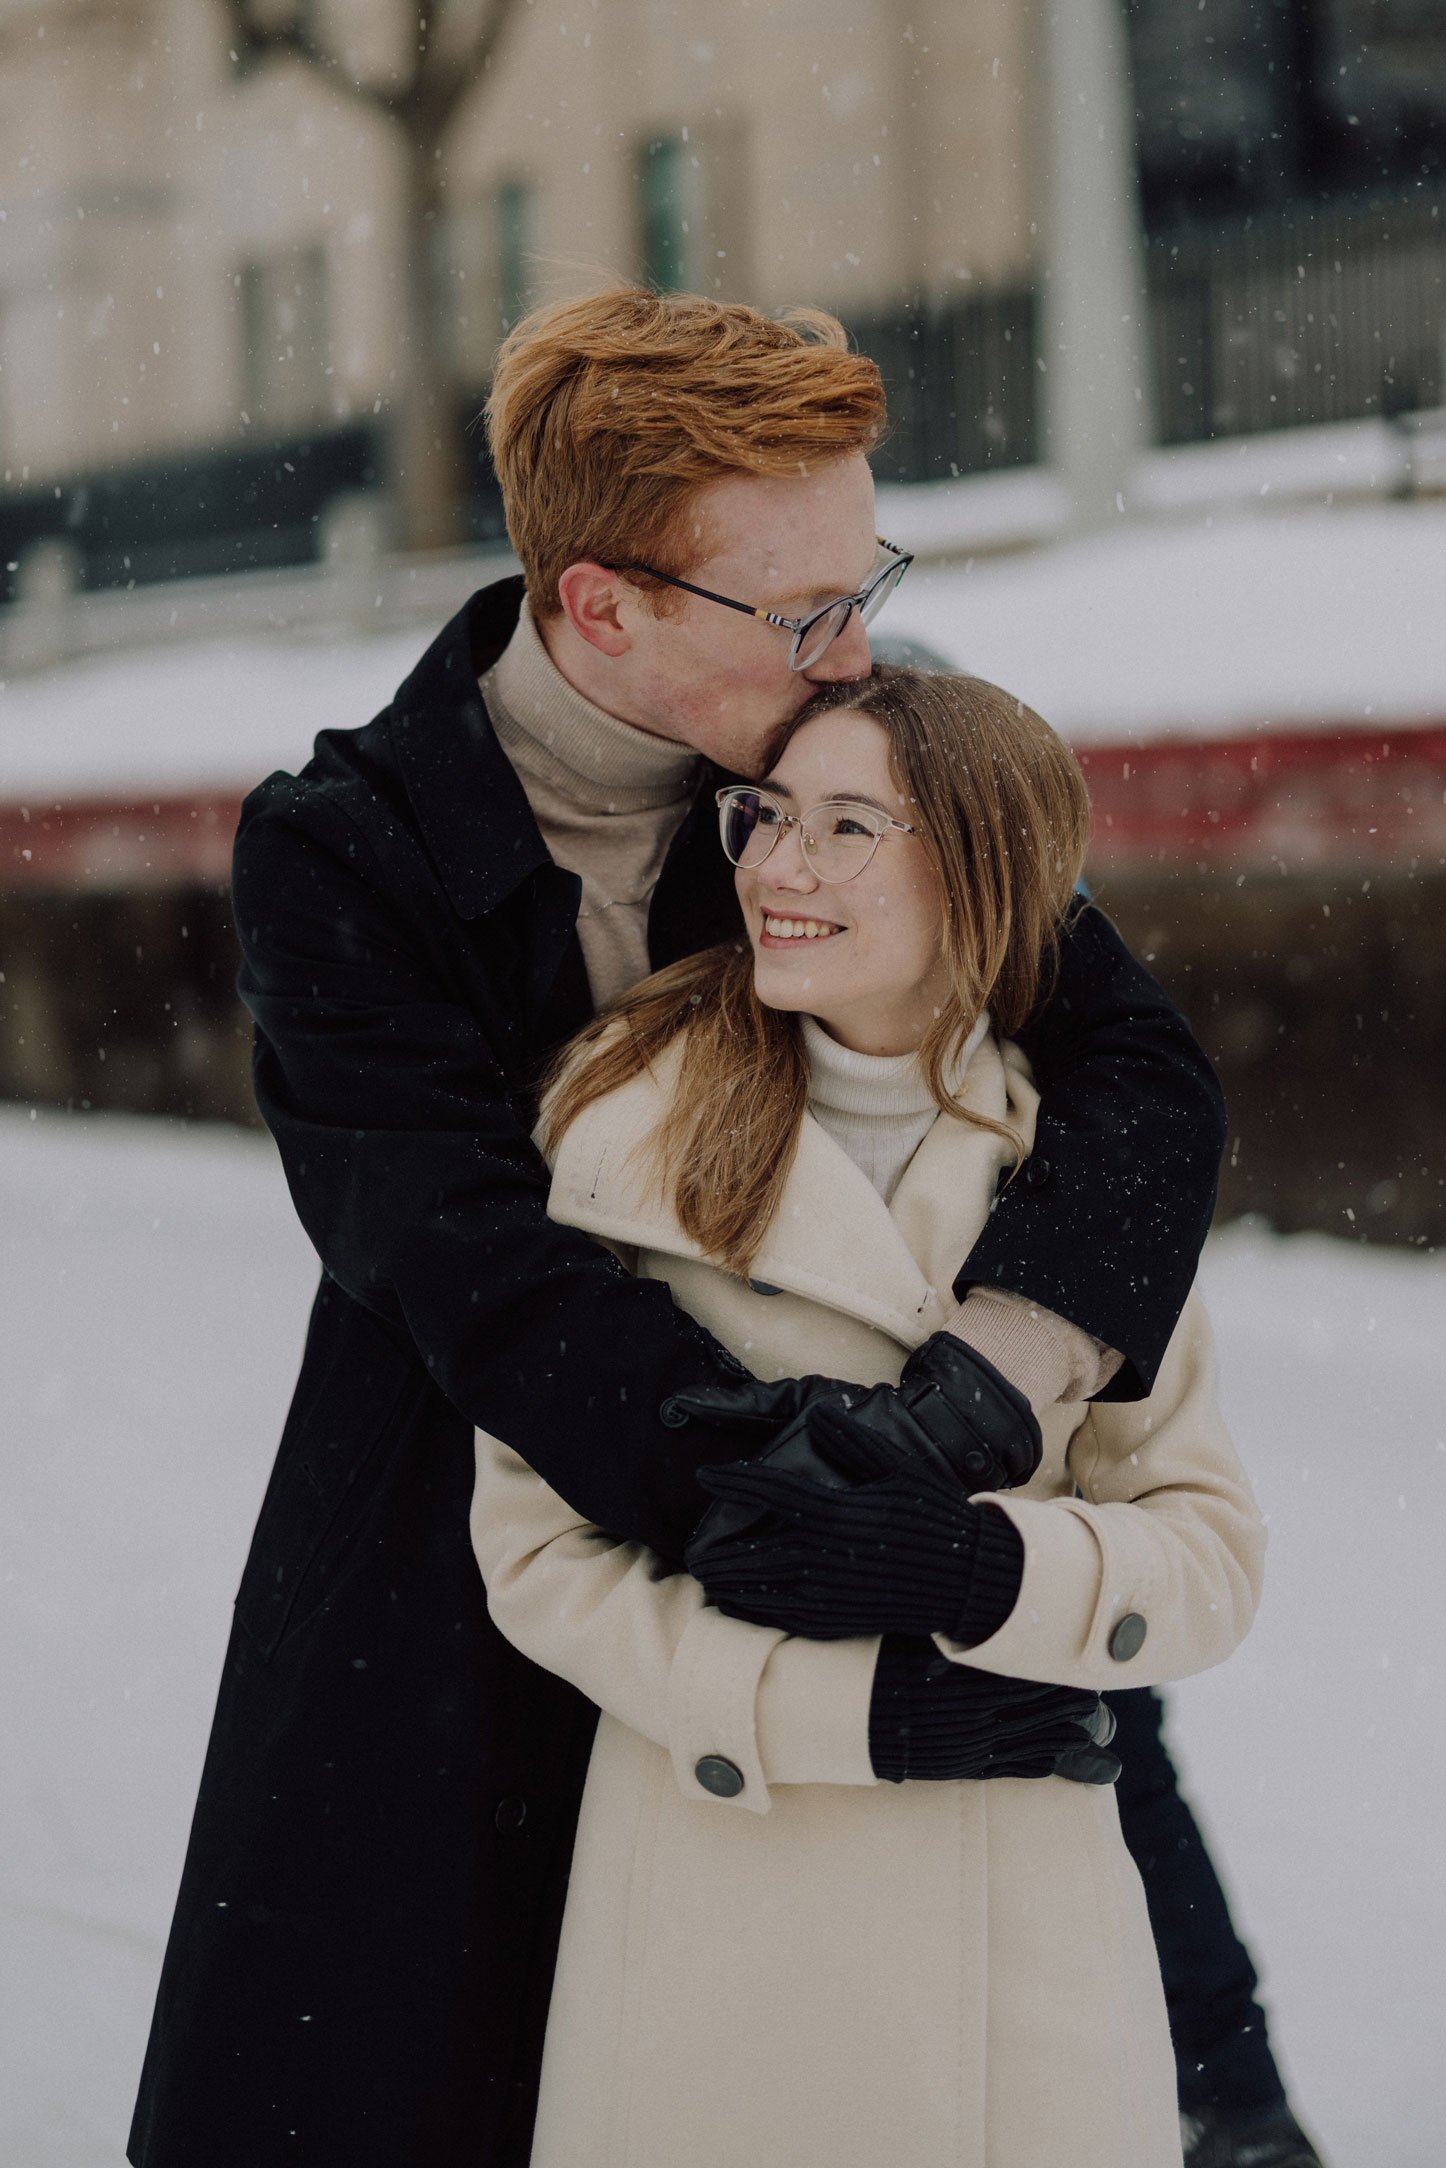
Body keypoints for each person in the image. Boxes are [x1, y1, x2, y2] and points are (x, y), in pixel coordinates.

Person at [130, 290, 1230, 2168]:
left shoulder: (846, 779)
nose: (857, 644)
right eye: (802, 608)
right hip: (466, 1559)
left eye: (861, 576)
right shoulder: (346, 848)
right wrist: (760, 1488)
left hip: (903, 1516)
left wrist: (969, 1405)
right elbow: (451, 1248)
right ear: (602, 609)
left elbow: (1140, 1077)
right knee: (414, 2070)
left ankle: (1236, 2085)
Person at [467, 665, 1267, 2167]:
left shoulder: (1087, 1179)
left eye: (845, 827)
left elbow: (1209, 1558)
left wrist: (984, 1576)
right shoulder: (617, 1121)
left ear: (981, 873)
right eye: (766, 816)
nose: (774, 867)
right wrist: (847, 1718)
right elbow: (536, 1555)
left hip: (1015, 1948)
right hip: (710, 1913)